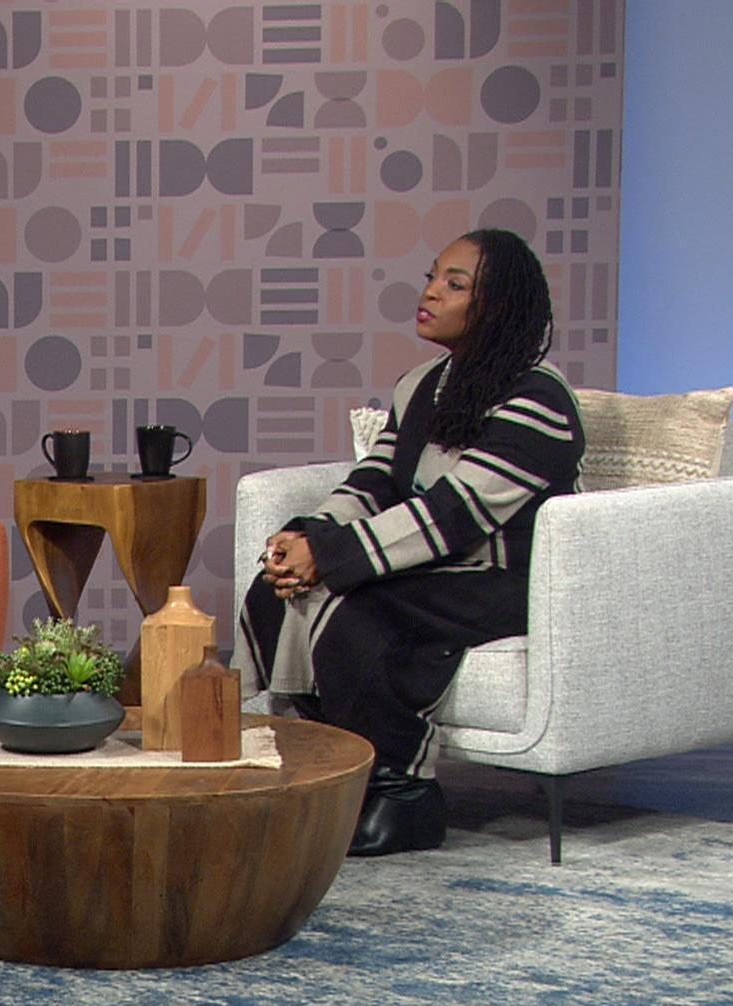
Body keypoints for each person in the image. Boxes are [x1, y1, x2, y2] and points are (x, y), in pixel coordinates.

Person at [240, 228, 584, 857]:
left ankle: (404, 793)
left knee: (353, 609)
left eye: (455, 285)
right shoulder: (423, 383)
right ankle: (333, 766)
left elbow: (456, 513)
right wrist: (310, 536)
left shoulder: (538, 398)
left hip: (500, 581)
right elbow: (375, 480)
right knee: (275, 594)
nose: (431, 292)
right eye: (433, 276)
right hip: (431, 569)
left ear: (498, 306)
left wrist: (336, 559)